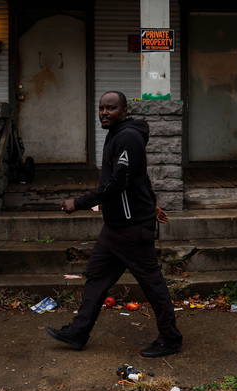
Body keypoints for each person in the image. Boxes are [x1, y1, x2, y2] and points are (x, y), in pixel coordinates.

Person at [46, 91, 183, 358]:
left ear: (124, 110)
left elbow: (119, 183)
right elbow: (138, 179)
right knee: (97, 278)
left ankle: (171, 338)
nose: (104, 112)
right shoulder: (118, 134)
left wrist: (80, 202)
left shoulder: (128, 137)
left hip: (131, 228)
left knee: (152, 284)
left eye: (111, 108)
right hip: (116, 226)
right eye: (101, 108)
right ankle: (78, 332)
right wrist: (151, 204)